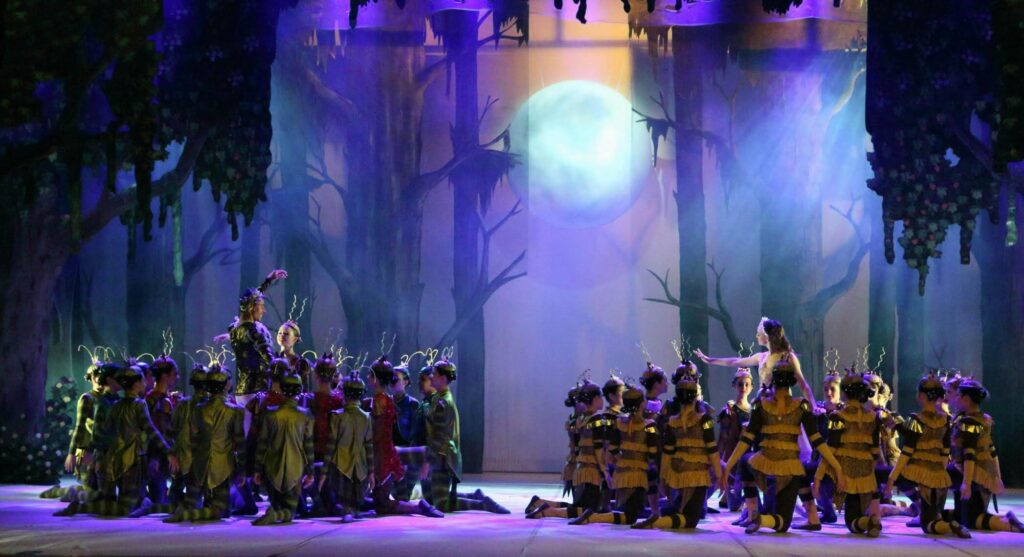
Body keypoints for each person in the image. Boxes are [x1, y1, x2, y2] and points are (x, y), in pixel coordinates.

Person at [721, 357, 844, 535]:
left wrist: (728, 467)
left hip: (765, 463)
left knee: (745, 461)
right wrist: (837, 467)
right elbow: (817, 440)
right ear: (792, 382)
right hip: (789, 466)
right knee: (783, 518)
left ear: (773, 381)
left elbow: (746, 440)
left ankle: (755, 512)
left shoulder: (761, 405)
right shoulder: (800, 406)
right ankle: (800, 516)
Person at [57, 365, 170, 517]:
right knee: (100, 492)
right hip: (104, 455)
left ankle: (83, 505)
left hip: (112, 456)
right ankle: (80, 502)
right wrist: (75, 453)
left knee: (112, 498)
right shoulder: (92, 399)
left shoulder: (116, 403)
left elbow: (103, 432)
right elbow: (81, 428)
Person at [883, 373, 970, 538]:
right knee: (933, 515)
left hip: (919, 471)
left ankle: (950, 526)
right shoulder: (946, 420)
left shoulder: (916, 419)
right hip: (939, 474)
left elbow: (907, 452)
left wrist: (891, 480)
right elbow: (945, 451)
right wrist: (939, 474)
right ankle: (942, 520)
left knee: (928, 524)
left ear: (921, 396)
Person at [419, 359, 508, 514]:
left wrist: (427, 462)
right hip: (439, 455)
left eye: (434, 374)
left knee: (441, 505)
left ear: (443, 378)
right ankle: (474, 496)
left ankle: (482, 504)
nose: (431, 377)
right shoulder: (438, 398)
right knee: (431, 498)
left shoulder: (443, 403)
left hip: (442, 457)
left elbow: (439, 437)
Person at [633, 377, 722, 530]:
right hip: (697, 474)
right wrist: (720, 475)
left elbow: (667, 452)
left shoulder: (672, 421)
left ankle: (660, 518)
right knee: (691, 520)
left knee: (684, 512)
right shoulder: (704, 420)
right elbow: (712, 450)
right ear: (695, 397)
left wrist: (663, 477)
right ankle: (656, 522)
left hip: (677, 474)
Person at [164, 362, 245, 523]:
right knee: (219, 509)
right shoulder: (234, 411)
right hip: (221, 465)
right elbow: (240, 442)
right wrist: (241, 469)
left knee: (191, 500)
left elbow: (188, 436)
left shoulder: (197, 407)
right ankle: (186, 513)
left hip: (197, 463)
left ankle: (183, 512)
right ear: (225, 385)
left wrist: (177, 453)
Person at [568, 383, 657, 526]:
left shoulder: (619, 422)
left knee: (626, 510)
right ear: (642, 404)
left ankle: (593, 515)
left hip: (620, 473)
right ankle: (593, 517)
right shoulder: (649, 426)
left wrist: (621, 461)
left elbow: (612, 448)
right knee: (631, 515)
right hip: (637, 474)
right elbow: (653, 452)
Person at [814, 370, 883, 537]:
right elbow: (875, 452)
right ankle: (871, 520)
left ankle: (868, 522)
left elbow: (830, 451)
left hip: (843, 472)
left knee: (852, 521)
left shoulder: (838, 416)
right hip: (866, 473)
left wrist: (817, 478)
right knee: (855, 513)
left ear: (844, 393)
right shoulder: (873, 417)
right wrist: (870, 478)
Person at [949, 379, 1023, 533]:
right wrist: (997, 477)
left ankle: (1007, 523)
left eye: (958, 395)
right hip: (983, 473)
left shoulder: (969, 422)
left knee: (970, 519)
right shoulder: (984, 419)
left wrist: (967, 483)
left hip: (973, 473)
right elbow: (992, 450)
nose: (955, 399)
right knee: (963, 517)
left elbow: (969, 454)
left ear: (966, 399)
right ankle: (929, 514)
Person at [526, 380, 606, 520]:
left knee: (581, 505)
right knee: (587, 509)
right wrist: (605, 471)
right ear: (594, 399)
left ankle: (542, 504)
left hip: (580, 466)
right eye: (601, 397)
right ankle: (548, 511)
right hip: (589, 468)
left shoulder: (579, 419)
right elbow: (598, 449)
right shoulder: (594, 419)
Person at [694, 317, 816, 406]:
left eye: (759, 334)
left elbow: (803, 384)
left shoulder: (787, 357)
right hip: (763, 402)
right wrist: (710, 360)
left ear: (766, 336)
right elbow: (735, 361)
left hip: (782, 403)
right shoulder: (761, 357)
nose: (756, 336)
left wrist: (813, 406)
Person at [228, 269, 287, 435]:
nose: (264, 311)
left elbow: (251, 299)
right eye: (261, 307)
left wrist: (268, 280)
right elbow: (270, 361)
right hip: (255, 394)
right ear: (252, 308)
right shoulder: (255, 331)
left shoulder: (234, 329)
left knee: (244, 434)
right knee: (256, 436)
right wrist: (286, 367)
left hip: (241, 392)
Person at [252, 373, 315, 525]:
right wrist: (310, 472)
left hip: (271, 468)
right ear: (299, 390)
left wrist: (257, 470)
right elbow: (308, 446)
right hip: (295, 470)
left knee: (277, 504)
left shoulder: (270, 414)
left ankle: (274, 513)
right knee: (290, 512)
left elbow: (262, 445)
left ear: (281, 389)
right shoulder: (305, 415)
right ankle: (276, 516)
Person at [324, 371, 374, 523]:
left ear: (344, 394)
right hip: (361, 466)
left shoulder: (337, 416)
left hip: (341, 464)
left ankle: (348, 510)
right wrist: (371, 472)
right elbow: (369, 446)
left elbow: (331, 445)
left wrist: (325, 471)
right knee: (357, 489)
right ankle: (353, 510)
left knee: (345, 490)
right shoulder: (366, 417)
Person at [142, 355, 178, 512]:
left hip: (157, 452)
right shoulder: (159, 401)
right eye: (174, 373)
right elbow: (160, 431)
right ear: (164, 376)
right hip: (158, 453)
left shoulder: (152, 397)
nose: (177, 377)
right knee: (159, 500)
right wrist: (160, 456)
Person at [717, 368, 753, 512]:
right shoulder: (729, 410)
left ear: (751, 387)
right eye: (740, 384)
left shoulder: (754, 410)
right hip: (733, 453)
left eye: (746, 384)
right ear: (734, 385)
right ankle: (729, 496)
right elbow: (723, 438)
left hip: (749, 453)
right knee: (734, 504)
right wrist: (719, 459)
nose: (743, 387)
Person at [391, 365, 422, 501]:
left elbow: (416, 435)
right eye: (391, 378)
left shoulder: (413, 404)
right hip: (390, 454)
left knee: (402, 496)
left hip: (408, 455)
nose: (392, 381)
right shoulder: (385, 402)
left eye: (396, 378)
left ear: (406, 381)